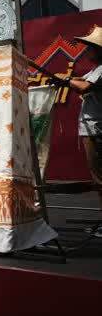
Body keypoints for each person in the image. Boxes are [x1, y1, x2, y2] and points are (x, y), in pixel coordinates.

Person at [52, 26, 102, 233]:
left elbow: (84, 87)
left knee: (100, 179)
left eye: (91, 47)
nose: (87, 50)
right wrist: (65, 79)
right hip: (94, 129)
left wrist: (66, 80)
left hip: (96, 130)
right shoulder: (95, 70)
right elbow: (81, 81)